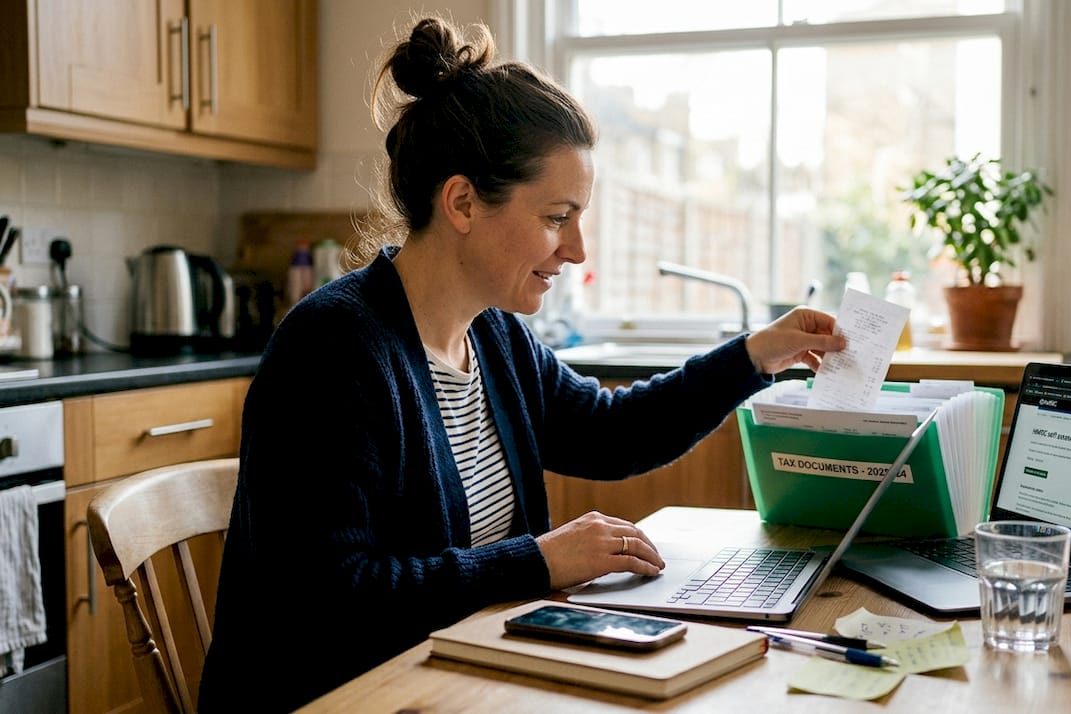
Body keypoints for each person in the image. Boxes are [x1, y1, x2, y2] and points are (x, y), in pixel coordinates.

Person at [198, 15, 846, 713]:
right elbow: (333, 597)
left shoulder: (495, 337)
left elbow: (611, 433)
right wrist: (536, 561)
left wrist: (757, 356)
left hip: (463, 675)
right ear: (463, 203)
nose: (577, 250)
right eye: (557, 216)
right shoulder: (333, 348)